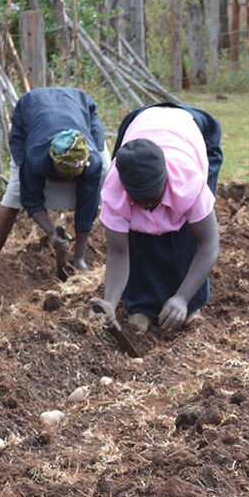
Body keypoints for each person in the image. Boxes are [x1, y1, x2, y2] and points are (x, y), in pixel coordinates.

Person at [92, 103, 222, 333]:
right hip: (139, 123)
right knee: (138, 237)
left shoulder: (189, 182)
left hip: (192, 128)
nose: (147, 206)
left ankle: (192, 306)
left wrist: (182, 298)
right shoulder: (114, 191)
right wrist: (110, 303)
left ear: (165, 181)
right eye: (139, 200)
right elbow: (119, 252)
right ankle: (141, 305)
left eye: (152, 198)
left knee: (187, 235)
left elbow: (208, 245)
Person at [0, 86, 107, 275]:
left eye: (73, 175)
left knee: (105, 175)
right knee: (16, 191)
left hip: (79, 106)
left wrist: (79, 258)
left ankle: (86, 257)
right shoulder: (36, 158)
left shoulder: (91, 163)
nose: (69, 180)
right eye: (64, 174)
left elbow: (87, 207)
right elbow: (31, 199)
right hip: (33, 110)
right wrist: (52, 233)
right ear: (52, 162)